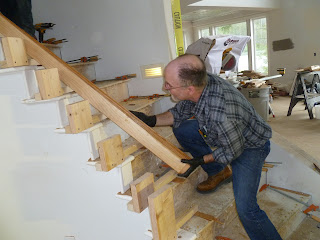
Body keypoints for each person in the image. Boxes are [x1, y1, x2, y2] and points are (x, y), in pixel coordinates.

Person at [131, 54, 282, 240]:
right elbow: (181, 112)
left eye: (169, 84)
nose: (165, 87)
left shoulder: (221, 114)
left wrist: (201, 160)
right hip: (225, 134)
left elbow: (232, 151)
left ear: (190, 88)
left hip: (249, 147)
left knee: (246, 209)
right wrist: (151, 120)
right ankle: (219, 172)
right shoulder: (201, 83)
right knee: (184, 129)